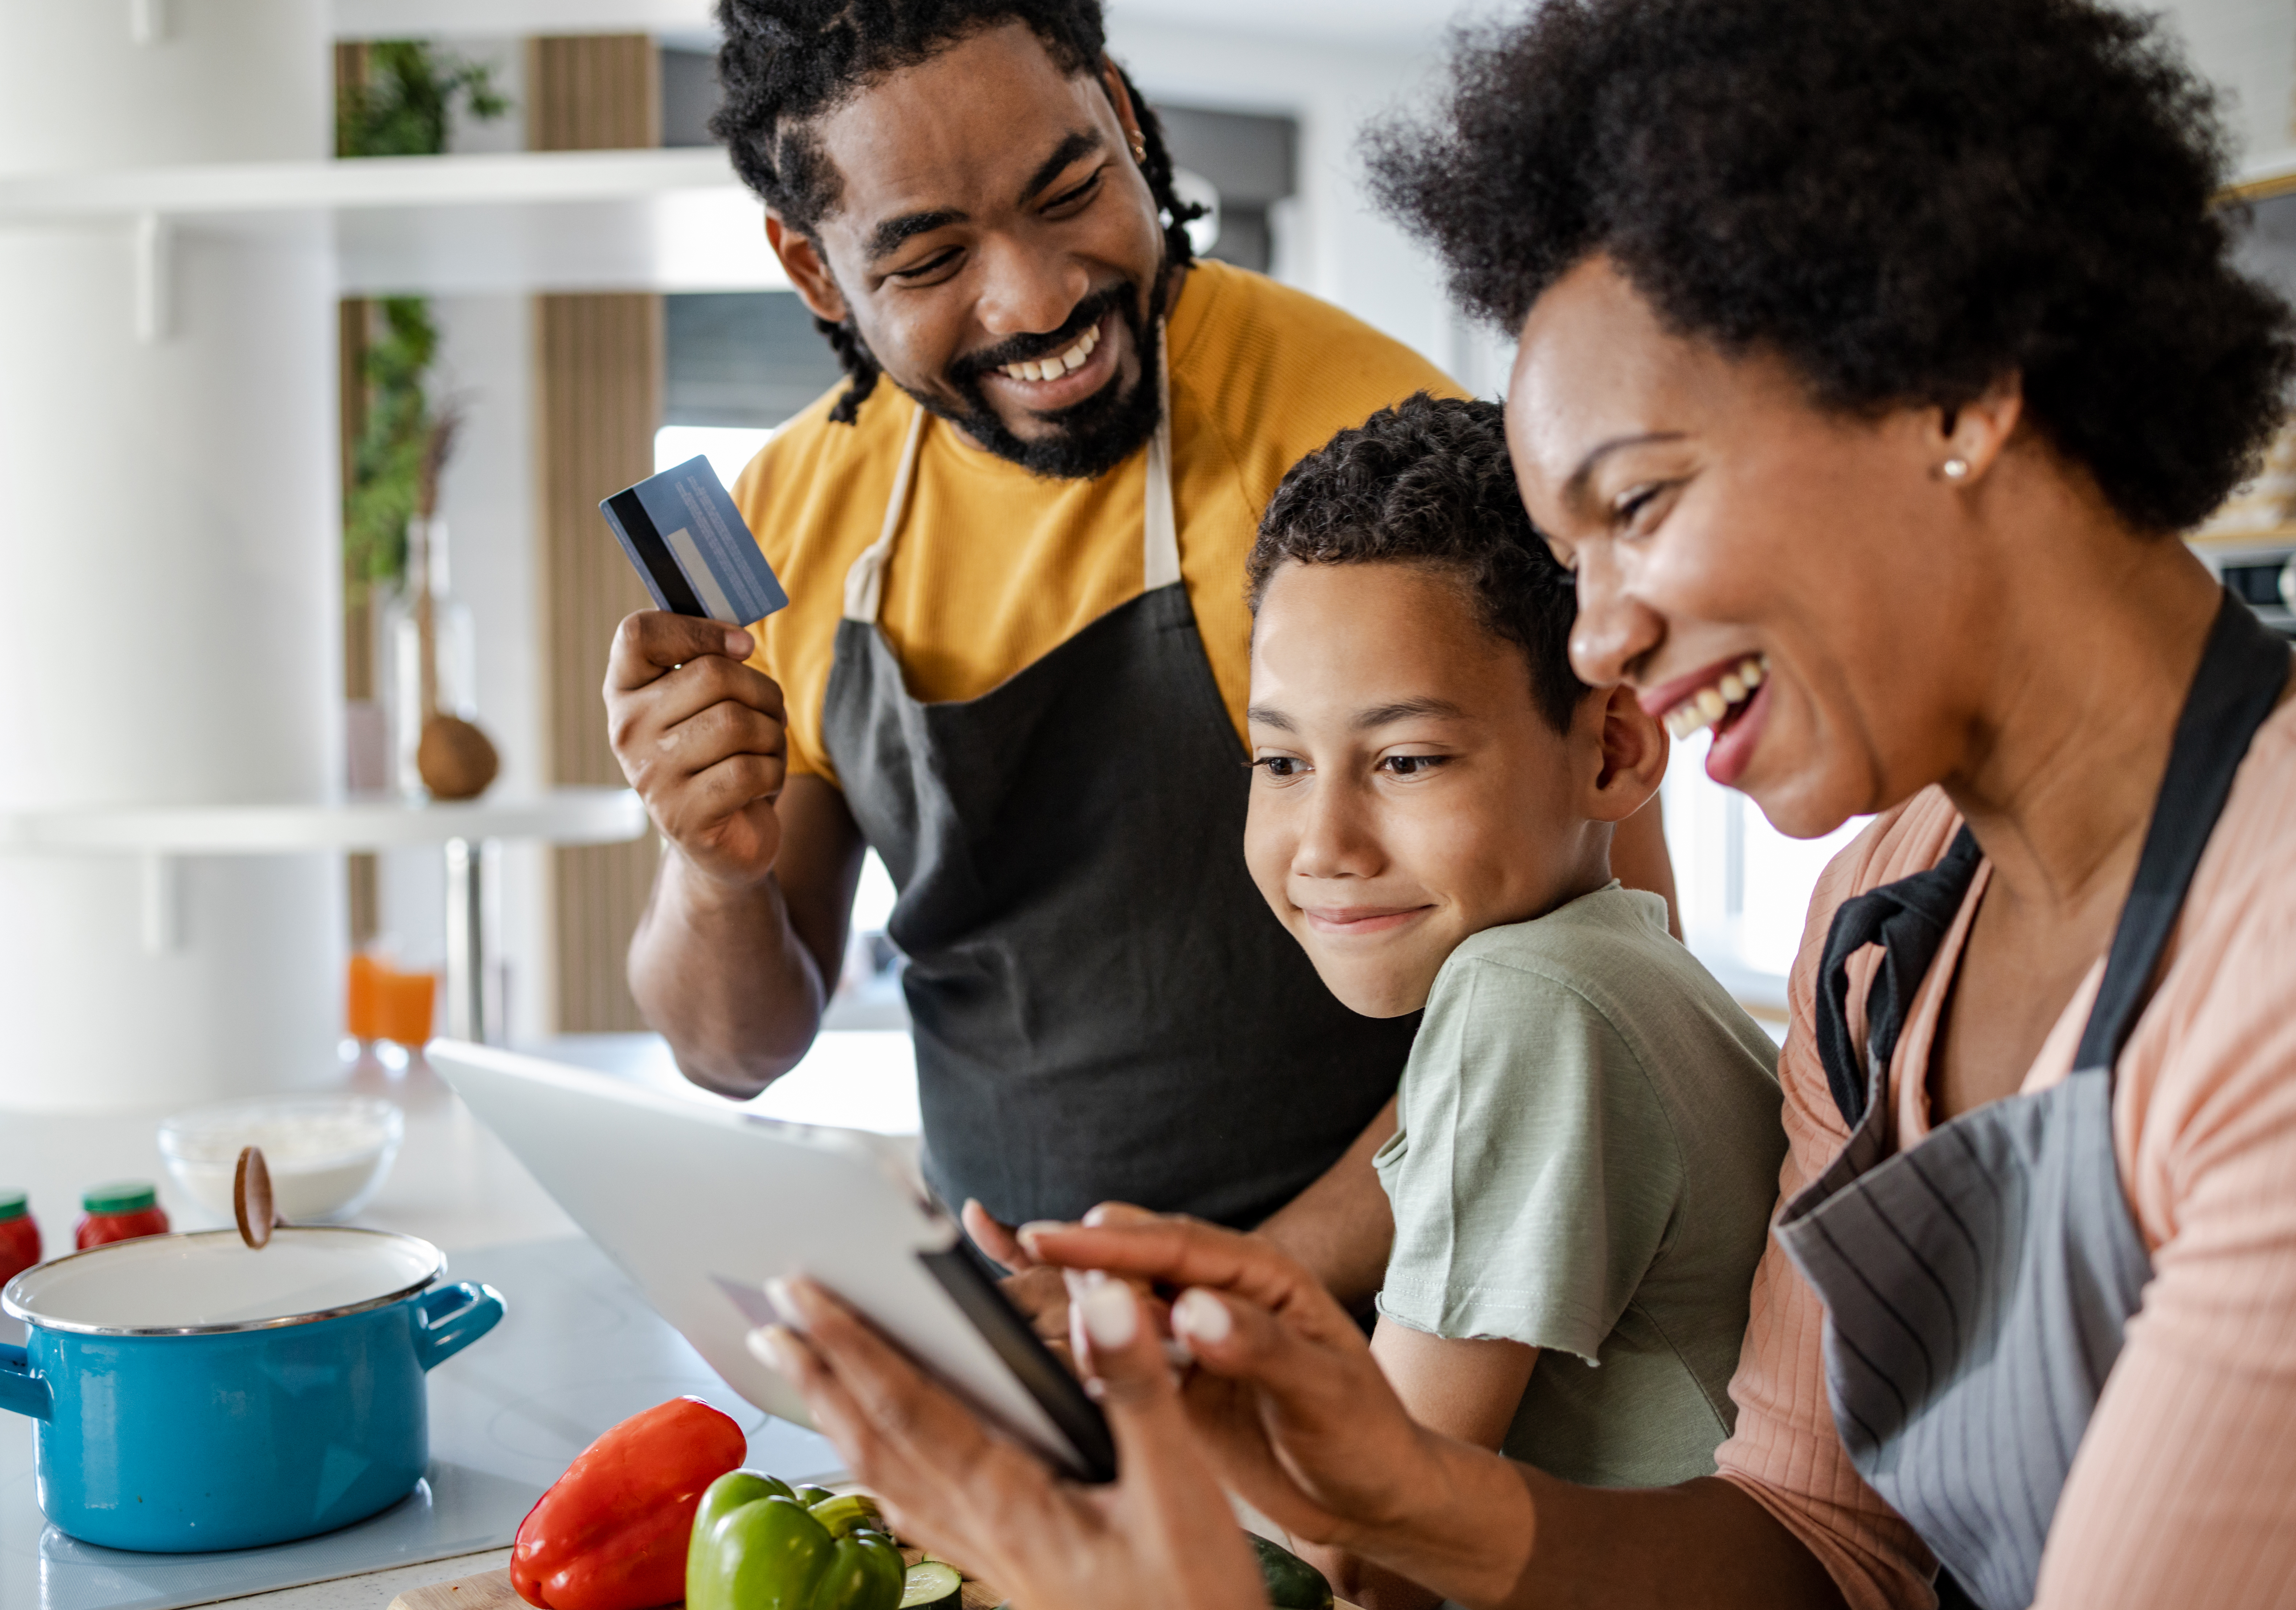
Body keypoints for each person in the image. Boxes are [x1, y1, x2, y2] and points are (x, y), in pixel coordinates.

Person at [741, 1, 2296, 1607]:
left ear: (1954, 389)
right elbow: (1826, 1550)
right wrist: (1389, 1491)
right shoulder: (1882, 924)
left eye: (1639, 503)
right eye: (1571, 555)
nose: (1597, 639)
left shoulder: (2270, 967)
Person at [602, 0, 1678, 1302]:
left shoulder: (1363, 448)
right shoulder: (787, 515)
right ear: (815, 271)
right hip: (1040, 1338)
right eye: (932, 259)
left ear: (1121, 113)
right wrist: (712, 868)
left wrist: (1219, 1300)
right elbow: (736, 1053)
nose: (1040, 295)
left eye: (1069, 192)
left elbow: (1600, 985)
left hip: (1389, 1325)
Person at [1241, 394, 1787, 1606]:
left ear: (1614, 750)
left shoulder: (1530, 998)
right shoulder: (1617, 963)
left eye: (1407, 761)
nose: (1323, 843)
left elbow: (1369, 1554)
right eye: (1280, 762)